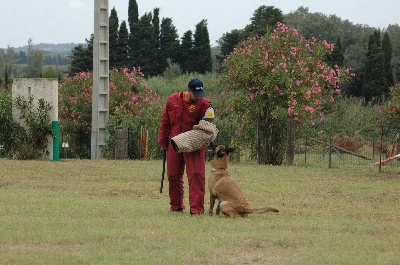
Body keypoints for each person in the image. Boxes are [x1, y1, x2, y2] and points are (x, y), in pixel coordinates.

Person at [158, 78, 213, 215]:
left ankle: (196, 210)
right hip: (175, 143)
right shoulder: (172, 100)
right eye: (196, 94)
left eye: (200, 94)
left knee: (196, 176)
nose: (198, 98)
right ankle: (176, 206)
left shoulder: (205, 104)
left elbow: (209, 127)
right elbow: (165, 121)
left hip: (194, 144)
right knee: (173, 176)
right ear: (188, 91)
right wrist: (163, 142)